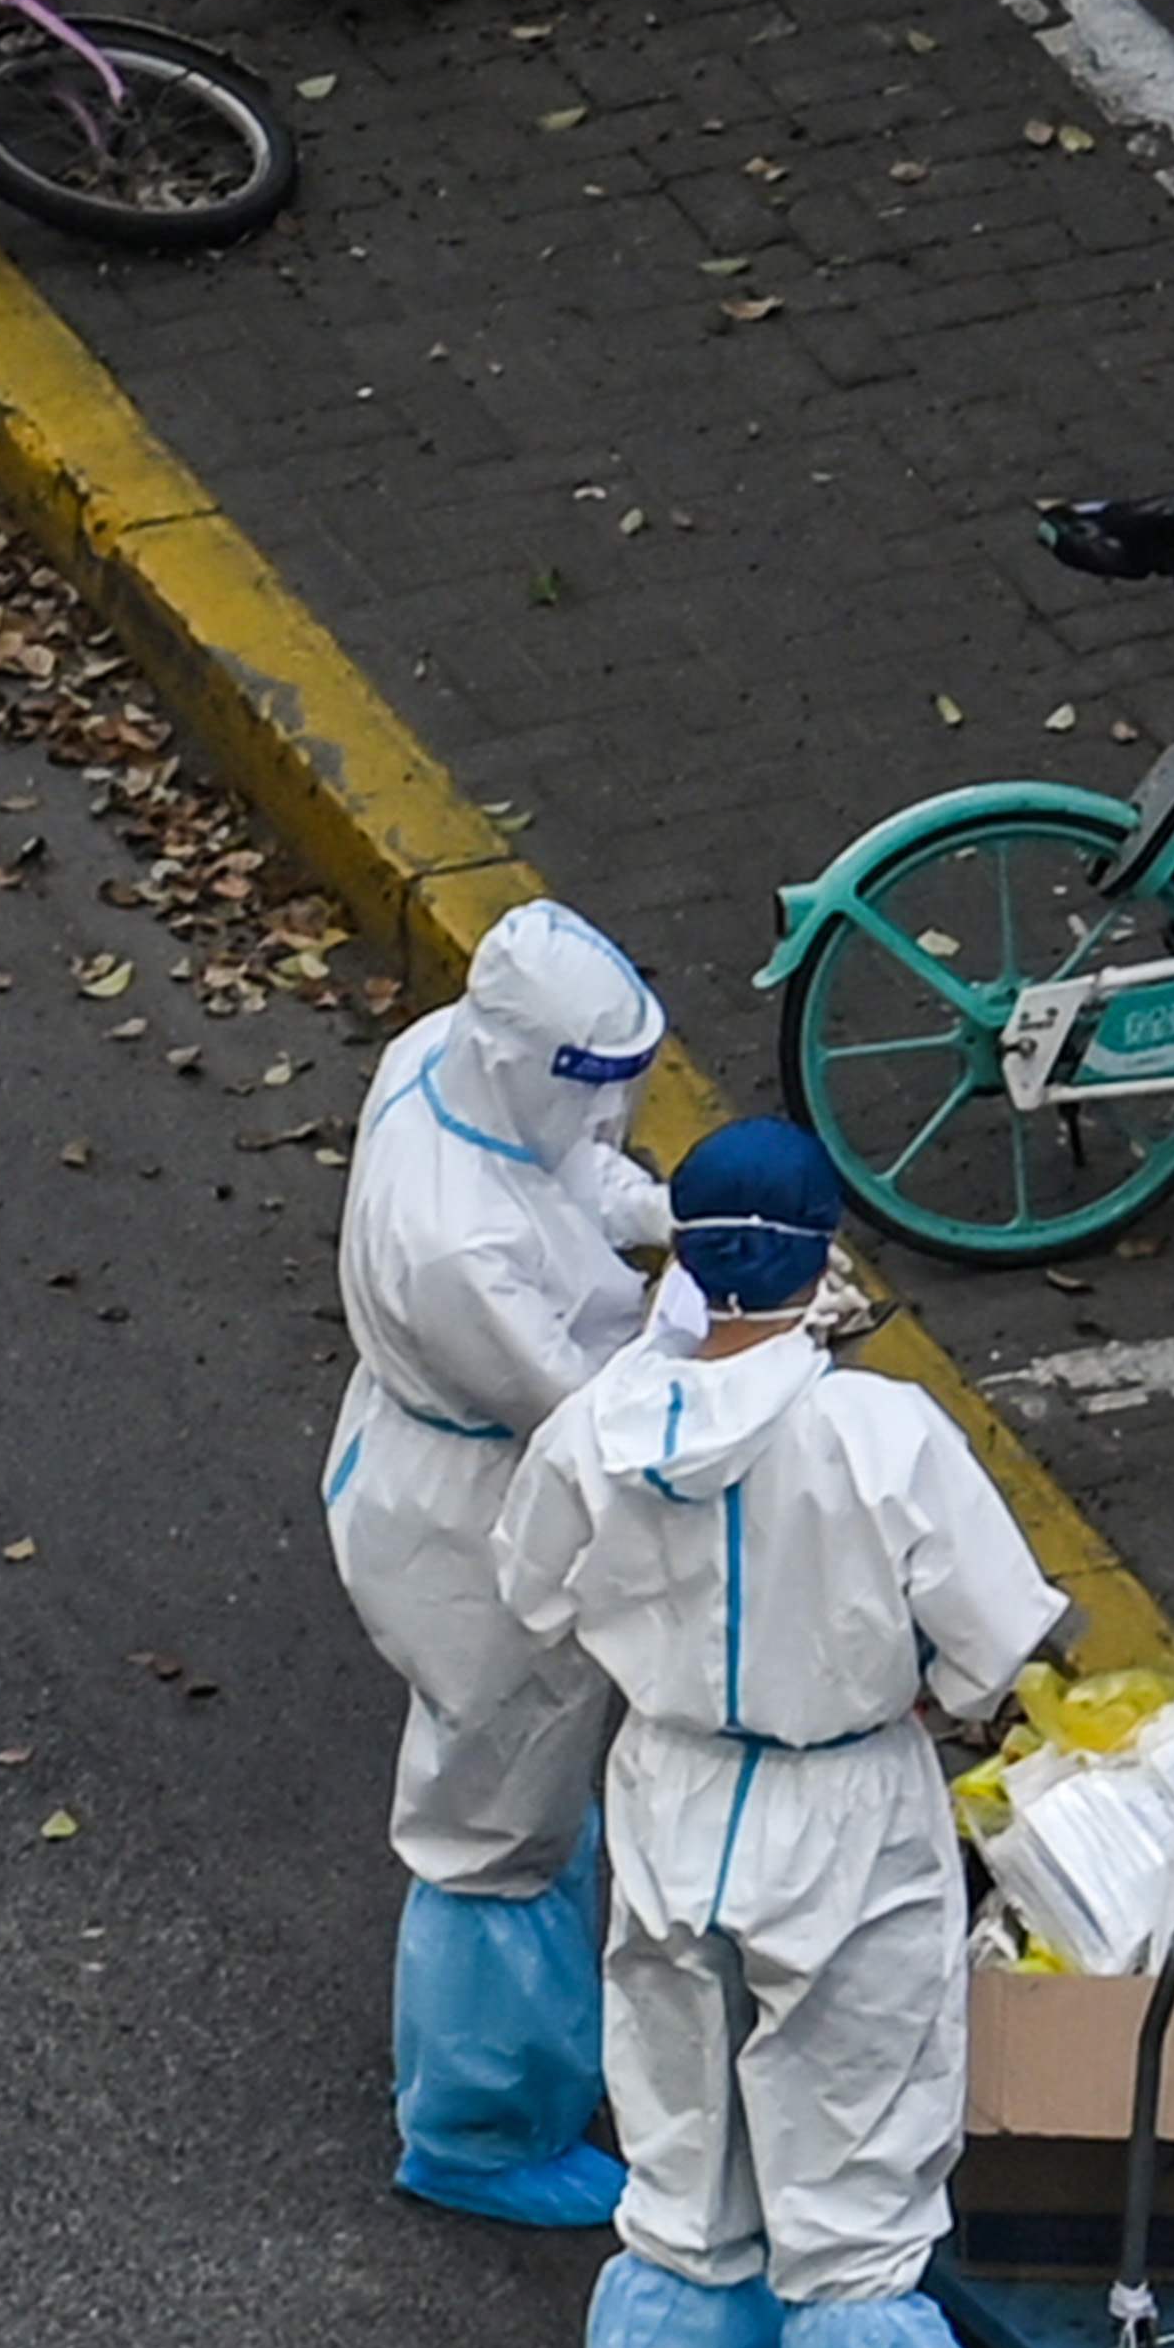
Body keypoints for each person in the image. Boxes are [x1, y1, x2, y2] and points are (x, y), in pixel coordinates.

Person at [496, 1118, 1067, 2348]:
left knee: (684, 2184)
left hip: (676, 1799)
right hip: (842, 1812)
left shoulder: (597, 1424)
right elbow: (998, 1639)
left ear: (681, 1250)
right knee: (856, 2205)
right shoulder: (882, 1437)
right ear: (821, 1261)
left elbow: (532, 1599)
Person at [324, 899, 676, 2231]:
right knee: (491, 1822)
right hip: (479, 1524)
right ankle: (475, 2126)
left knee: (517, 1791)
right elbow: (588, 1419)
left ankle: (516, 2060)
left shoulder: (442, 1057)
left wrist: (659, 1213)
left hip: (432, 1469)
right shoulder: (454, 1248)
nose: (614, 1110)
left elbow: (565, 1161)